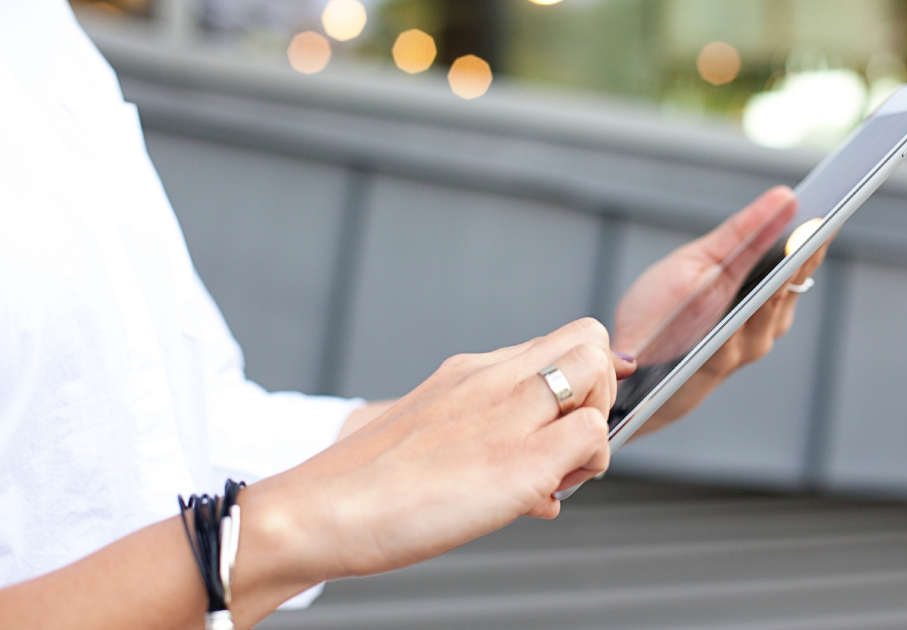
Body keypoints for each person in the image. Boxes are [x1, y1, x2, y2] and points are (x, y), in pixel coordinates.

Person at [0, 2, 831, 628]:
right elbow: (249, 516)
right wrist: (279, 533)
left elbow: (190, 437)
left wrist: (623, 385)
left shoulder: (45, 39)